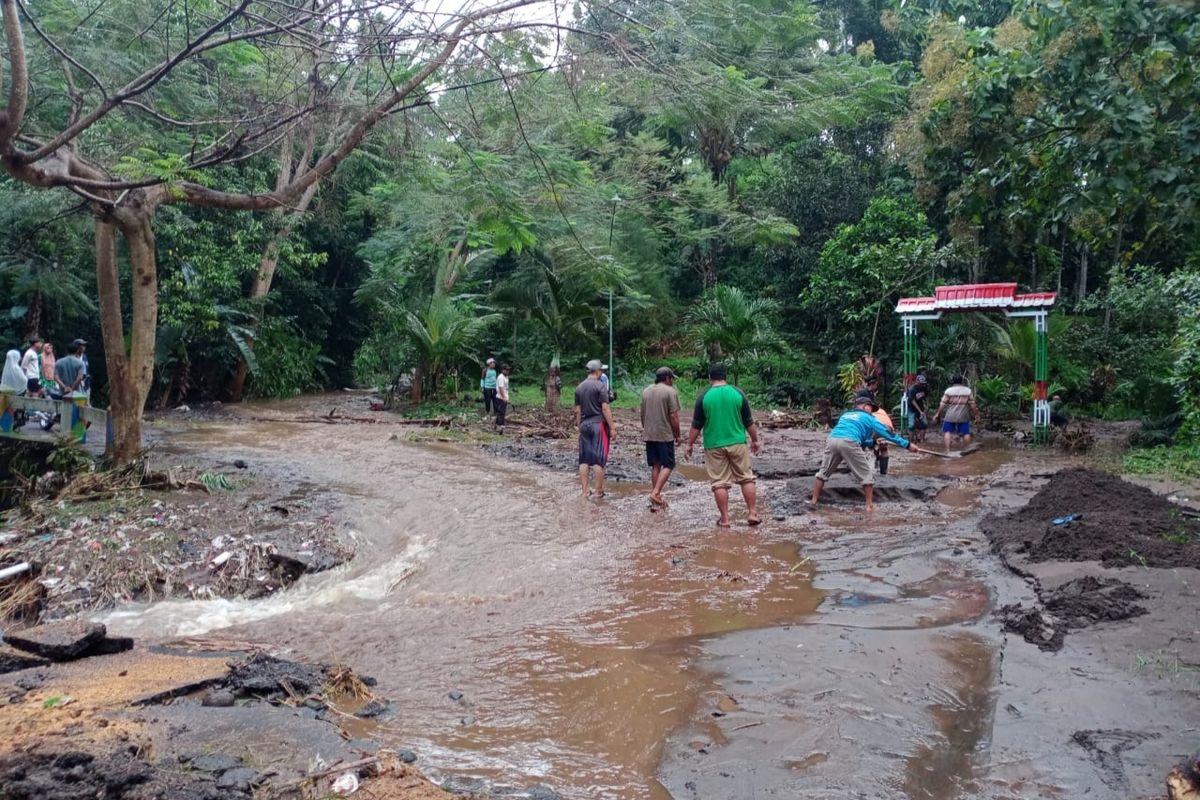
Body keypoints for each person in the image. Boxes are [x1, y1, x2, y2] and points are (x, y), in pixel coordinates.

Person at [684, 363, 762, 527]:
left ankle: (725, 519)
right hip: (737, 442)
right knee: (746, 478)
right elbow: (748, 421)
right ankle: (752, 513)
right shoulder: (738, 393)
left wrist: (689, 444)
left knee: (719, 483)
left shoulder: (704, 397)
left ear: (710, 377)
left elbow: (696, 425)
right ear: (725, 376)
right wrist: (755, 440)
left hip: (714, 445)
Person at [809, 391, 913, 514]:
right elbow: (887, 433)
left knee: (823, 473)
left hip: (832, 440)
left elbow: (861, 439)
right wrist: (907, 445)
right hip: (849, 442)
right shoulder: (869, 418)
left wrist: (873, 442)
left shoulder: (846, 415)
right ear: (865, 406)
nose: (872, 412)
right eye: (871, 408)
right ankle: (869, 506)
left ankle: (813, 501)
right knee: (867, 476)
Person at [639, 366, 682, 509]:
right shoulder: (670, 392)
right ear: (667, 378)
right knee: (669, 464)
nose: (672, 382)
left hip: (649, 434)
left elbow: (642, 414)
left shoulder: (646, 391)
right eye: (671, 379)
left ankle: (655, 495)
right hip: (664, 434)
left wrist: (646, 429)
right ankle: (656, 492)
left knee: (656, 465)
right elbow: (674, 416)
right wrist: (678, 435)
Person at [575, 359, 617, 498]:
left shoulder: (579, 387)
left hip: (584, 425)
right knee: (599, 459)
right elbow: (605, 408)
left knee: (584, 460)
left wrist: (579, 427)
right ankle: (598, 491)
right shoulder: (600, 386)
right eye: (601, 370)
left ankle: (585, 491)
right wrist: (612, 427)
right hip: (598, 425)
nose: (602, 372)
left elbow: (577, 410)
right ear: (598, 371)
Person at [934, 374, 980, 452]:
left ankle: (948, 450)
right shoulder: (967, 391)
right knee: (966, 433)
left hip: (950, 416)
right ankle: (968, 450)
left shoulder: (948, 391)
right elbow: (972, 405)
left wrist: (937, 414)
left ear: (953, 381)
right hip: (963, 415)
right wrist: (976, 415)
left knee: (947, 432)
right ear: (962, 381)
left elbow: (942, 404)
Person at [905, 373, 931, 443]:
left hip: (921, 408)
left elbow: (927, 396)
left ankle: (922, 440)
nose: (922, 385)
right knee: (911, 425)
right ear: (917, 382)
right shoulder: (912, 390)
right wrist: (920, 411)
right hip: (912, 409)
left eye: (923, 383)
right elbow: (913, 401)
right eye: (920, 383)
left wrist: (927, 406)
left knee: (925, 424)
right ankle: (910, 441)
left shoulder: (924, 388)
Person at [872, 403, 896, 476]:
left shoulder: (867, 411)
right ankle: (883, 473)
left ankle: (877, 457)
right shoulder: (882, 411)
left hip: (876, 428)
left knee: (874, 445)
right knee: (884, 449)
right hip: (888, 428)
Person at [494, 364, 511, 432]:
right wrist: (503, 397)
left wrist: (506, 397)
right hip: (500, 396)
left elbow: (506, 387)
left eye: (508, 370)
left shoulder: (506, 377)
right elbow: (501, 388)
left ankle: (501, 424)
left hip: (505, 395)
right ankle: (498, 424)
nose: (507, 371)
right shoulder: (501, 377)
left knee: (503, 411)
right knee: (500, 411)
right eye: (506, 370)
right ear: (502, 370)